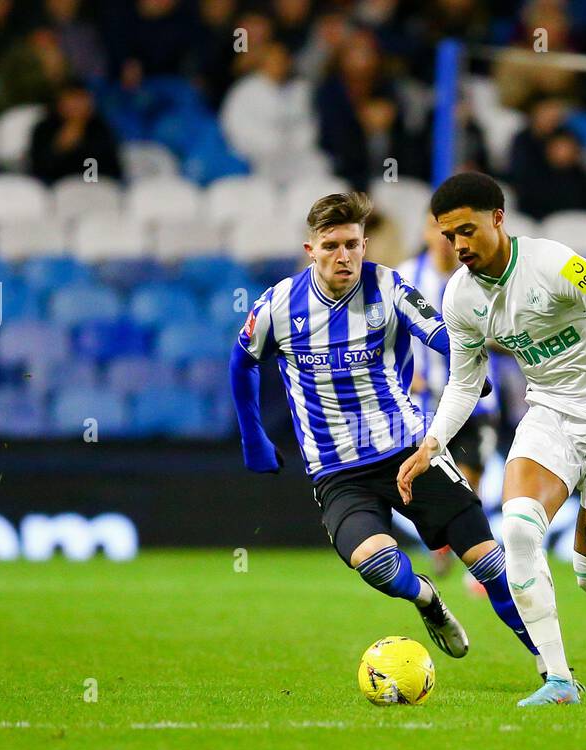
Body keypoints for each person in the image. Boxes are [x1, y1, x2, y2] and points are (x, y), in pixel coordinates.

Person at [398, 172, 586, 707]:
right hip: (550, 414)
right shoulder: (459, 297)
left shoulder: (556, 264)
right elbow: (466, 382)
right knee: (519, 529)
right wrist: (432, 442)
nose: (459, 245)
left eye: (468, 230)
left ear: (498, 219)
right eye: (448, 236)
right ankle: (559, 681)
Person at [230, 191, 541, 673]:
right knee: (376, 564)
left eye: (352, 244)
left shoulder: (390, 287)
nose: (344, 256)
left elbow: (437, 330)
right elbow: (242, 361)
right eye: (331, 245)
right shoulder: (278, 304)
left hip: (409, 451)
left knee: (490, 566)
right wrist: (253, 438)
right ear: (310, 249)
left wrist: (467, 368)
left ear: (365, 244)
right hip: (338, 470)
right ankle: (426, 598)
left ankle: (551, 668)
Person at [397, 211, 502, 583]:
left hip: (478, 401)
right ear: (426, 233)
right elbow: (386, 332)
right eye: (437, 231)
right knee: (435, 475)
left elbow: (502, 330)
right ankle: (446, 546)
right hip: (427, 404)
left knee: (470, 478)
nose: (445, 239)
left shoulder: (478, 275)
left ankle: (471, 552)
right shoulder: (406, 277)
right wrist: (408, 375)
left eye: (452, 232)